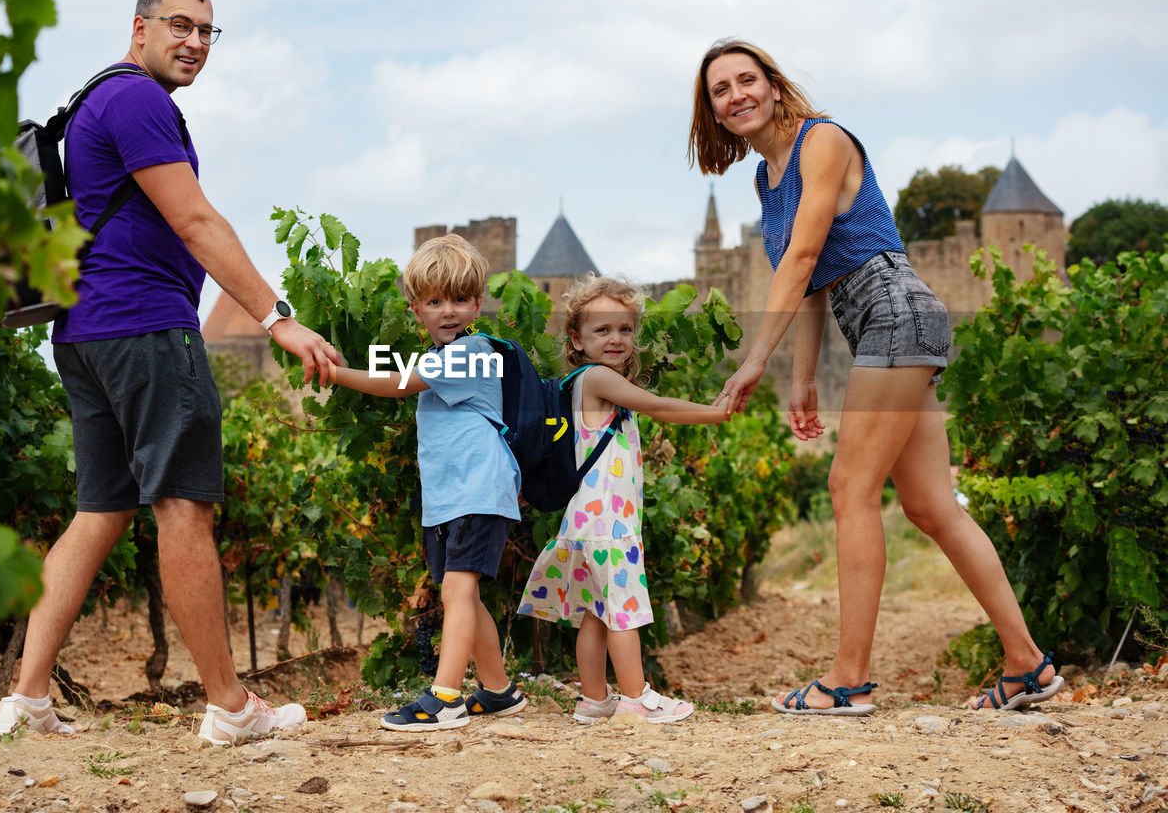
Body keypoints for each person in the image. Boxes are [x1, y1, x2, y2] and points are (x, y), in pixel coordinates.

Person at [0, 0, 343, 744]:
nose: (193, 42)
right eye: (179, 25)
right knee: (182, 502)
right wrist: (276, 317)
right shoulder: (138, 100)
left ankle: (26, 699)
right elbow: (194, 219)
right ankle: (229, 705)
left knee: (99, 511)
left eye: (206, 32)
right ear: (140, 27)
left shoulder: (93, 98)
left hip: (84, 334)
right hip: (146, 327)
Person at [689, 39, 1063, 715]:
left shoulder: (823, 142)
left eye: (748, 80)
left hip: (895, 310)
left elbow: (804, 257)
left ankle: (847, 680)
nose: (737, 94)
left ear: (774, 86)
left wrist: (751, 362)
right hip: (875, 321)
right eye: (721, 89)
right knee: (929, 506)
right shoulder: (765, 180)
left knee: (848, 487)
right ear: (711, 110)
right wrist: (800, 378)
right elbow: (804, 281)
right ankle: (1026, 661)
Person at [329, 233, 528, 731]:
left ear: (478, 304)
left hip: (479, 488)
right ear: (415, 307)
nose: (449, 311)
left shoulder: (473, 350)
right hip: (451, 496)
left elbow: (395, 382)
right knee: (463, 593)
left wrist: (335, 373)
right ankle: (499, 691)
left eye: (460, 299)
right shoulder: (445, 358)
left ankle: (445, 698)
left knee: (457, 591)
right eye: (435, 301)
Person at [517, 275, 729, 724]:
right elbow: (658, 406)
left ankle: (595, 700)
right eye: (602, 330)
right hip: (607, 521)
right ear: (576, 338)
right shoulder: (596, 378)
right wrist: (717, 413)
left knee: (596, 614)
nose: (616, 339)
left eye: (625, 329)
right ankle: (635, 697)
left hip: (587, 520)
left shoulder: (584, 381)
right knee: (624, 609)